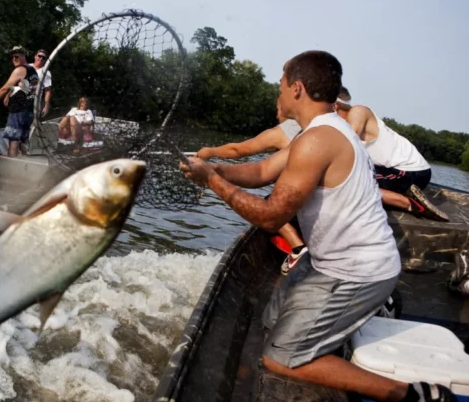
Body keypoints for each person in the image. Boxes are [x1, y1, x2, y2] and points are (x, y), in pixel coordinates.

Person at [180, 50, 456, 402]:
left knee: (280, 358)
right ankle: (373, 308)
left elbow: (270, 217)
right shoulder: (319, 132)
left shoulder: (317, 140)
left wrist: (213, 184)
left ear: (297, 89)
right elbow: (262, 171)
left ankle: (409, 393)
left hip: (358, 272)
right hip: (330, 263)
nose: (277, 92)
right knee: (270, 319)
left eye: (280, 85)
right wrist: (213, 171)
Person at [197, 101, 308, 276]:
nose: (276, 112)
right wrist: (217, 170)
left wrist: (210, 152)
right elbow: (263, 170)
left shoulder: (280, 132)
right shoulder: (314, 130)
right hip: (309, 206)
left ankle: (298, 249)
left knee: (270, 204)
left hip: (298, 204)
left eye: (278, 107)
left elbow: (238, 150)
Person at [334, 87, 448, 221]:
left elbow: (345, 148)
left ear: (335, 106)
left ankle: (409, 203)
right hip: (394, 171)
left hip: (412, 172)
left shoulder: (358, 112)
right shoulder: (340, 125)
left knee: (348, 182)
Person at [0, 46, 39, 158]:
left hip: (18, 111)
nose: (14, 59)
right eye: (12, 57)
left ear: (23, 55)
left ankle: (11, 166)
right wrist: (8, 95)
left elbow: (5, 88)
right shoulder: (32, 70)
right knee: (22, 141)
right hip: (29, 111)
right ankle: (25, 163)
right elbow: (24, 87)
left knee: (13, 140)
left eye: (16, 56)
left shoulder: (20, 70)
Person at [33, 49, 53, 116]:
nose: (41, 58)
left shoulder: (46, 73)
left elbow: (48, 90)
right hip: (19, 103)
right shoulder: (27, 66)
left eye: (43, 58)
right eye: (39, 56)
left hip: (34, 105)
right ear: (35, 56)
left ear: (45, 60)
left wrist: (46, 105)